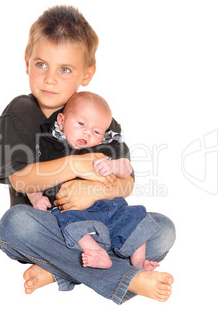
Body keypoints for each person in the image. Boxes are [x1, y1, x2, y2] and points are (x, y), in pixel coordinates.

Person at [0, 5, 175, 304]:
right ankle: (126, 277)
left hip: (100, 225)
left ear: (86, 73)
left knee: (164, 229)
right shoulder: (21, 112)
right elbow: (21, 180)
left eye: (64, 69)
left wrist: (91, 191)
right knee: (15, 224)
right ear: (27, 62)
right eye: (41, 65)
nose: (50, 78)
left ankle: (58, 270)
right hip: (46, 227)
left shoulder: (97, 116)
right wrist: (77, 164)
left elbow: (127, 182)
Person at [27, 91, 160, 271]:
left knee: (138, 217)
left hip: (110, 208)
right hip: (71, 211)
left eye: (96, 131)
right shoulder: (49, 145)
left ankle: (138, 263)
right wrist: (36, 198)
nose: (87, 132)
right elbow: (33, 179)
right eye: (81, 123)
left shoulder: (105, 147)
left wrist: (113, 166)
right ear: (61, 120)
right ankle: (97, 253)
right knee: (68, 224)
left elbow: (127, 169)